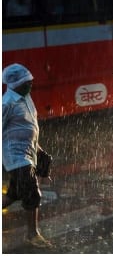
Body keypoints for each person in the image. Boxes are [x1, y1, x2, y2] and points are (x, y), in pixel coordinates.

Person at [2, 64, 53, 249]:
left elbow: (29, 128)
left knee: (14, 194)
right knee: (32, 193)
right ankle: (32, 234)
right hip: (16, 156)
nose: (30, 84)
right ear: (15, 83)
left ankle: (32, 233)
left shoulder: (26, 98)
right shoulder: (6, 103)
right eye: (26, 82)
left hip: (28, 152)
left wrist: (39, 152)